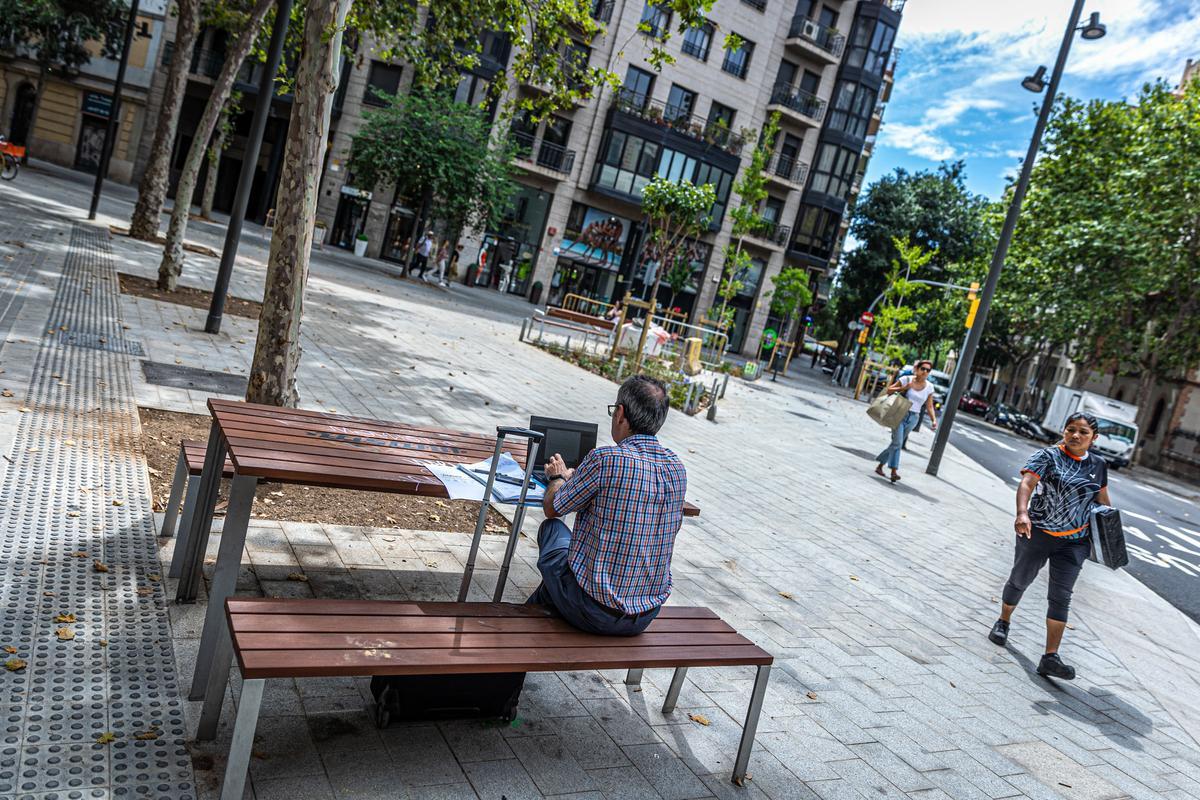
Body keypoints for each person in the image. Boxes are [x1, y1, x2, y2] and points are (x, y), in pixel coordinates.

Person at [530, 375, 687, 635]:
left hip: (593, 610)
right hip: (644, 616)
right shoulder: (676, 468)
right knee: (555, 587)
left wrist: (558, 477)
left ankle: (511, 643)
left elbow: (552, 507)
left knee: (552, 530)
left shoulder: (606, 459)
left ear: (621, 414)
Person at [987, 412, 1111, 680]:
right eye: (1071, 430)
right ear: (1064, 431)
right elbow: (1027, 483)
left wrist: (1109, 535)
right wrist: (1022, 513)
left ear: (1094, 438)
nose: (1076, 435)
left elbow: (1102, 500)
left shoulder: (1099, 465)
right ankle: (1003, 621)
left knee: (1061, 595)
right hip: (1037, 532)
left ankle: (1050, 657)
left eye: (1083, 432)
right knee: (1020, 580)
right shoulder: (1048, 456)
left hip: (1075, 542)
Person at [874, 359, 938, 482]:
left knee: (896, 443)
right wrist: (904, 388)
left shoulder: (930, 387)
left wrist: (933, 420)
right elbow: (888, 390)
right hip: (900, 413)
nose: (925, 372)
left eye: (928, 370)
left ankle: (880, 465)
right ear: (917, 369)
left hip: (914, 418)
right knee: (898, 442)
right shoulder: (906, 379)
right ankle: (893, 471)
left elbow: (929, 406)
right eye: (922, 369)